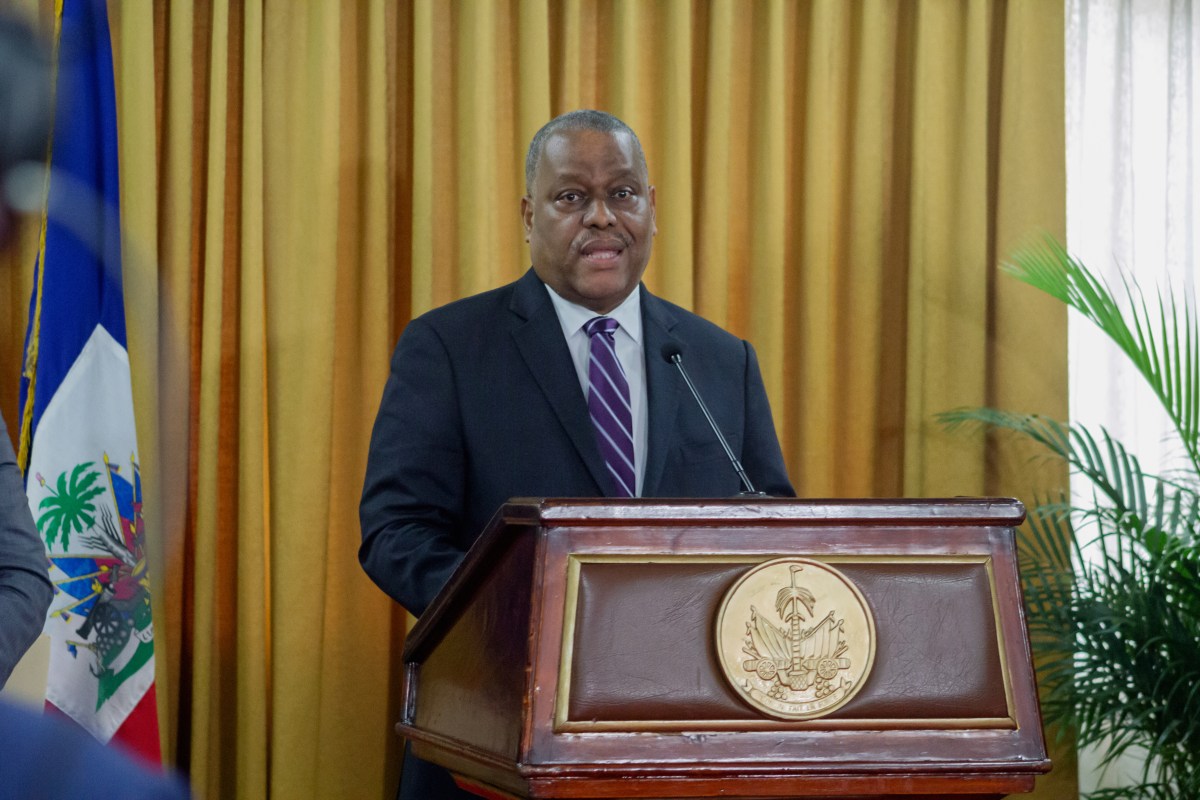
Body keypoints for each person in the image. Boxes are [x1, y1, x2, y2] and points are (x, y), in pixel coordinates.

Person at [359, 109, 795, 798]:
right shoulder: (449, 348)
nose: (601, 216)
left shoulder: (717, 360)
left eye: (621, 193)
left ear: (650, 208)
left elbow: (774, 526)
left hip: (684, 737)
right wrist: (520, 624)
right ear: (531, 216)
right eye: (572, 197)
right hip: (497, 737)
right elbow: (395, 533)